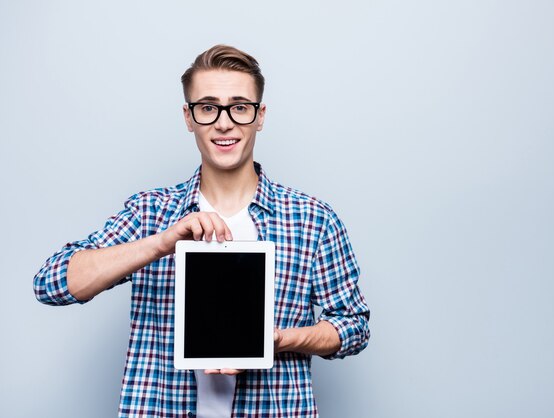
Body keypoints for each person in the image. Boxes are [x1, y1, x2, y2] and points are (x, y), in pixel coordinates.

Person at [33, 44, 370, 418]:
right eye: (208, 108)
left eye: (239, 107)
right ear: (189, 117)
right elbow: (51, 284)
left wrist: (277, 340)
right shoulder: (150, 213)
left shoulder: (312, 219)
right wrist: (161, 243)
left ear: (260, 116)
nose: (224, 123)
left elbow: (353, 325)